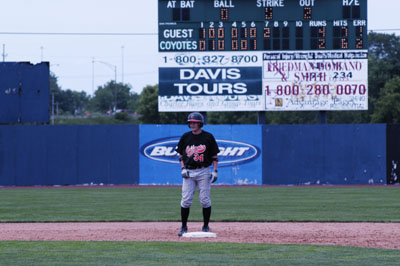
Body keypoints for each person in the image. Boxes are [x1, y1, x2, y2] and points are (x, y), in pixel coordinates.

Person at [175, 112, 219, 236]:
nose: (192, 124)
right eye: (190, 122)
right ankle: (183, 226)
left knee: (205, 200)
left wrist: (215, 171)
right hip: (188, 171)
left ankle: (205, 226)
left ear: (200, 123)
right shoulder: (185, 137)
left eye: (194, 122)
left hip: (204, 171)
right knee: (186, 200)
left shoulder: (208, 137)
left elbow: (214, 156)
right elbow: (181, 155)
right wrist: (182, 168)